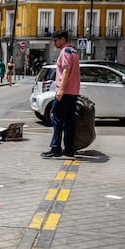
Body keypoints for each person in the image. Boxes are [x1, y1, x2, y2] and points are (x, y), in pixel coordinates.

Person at [41, 30, 80, 158]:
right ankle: (69, 149)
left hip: (65, 92)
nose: (54, 42)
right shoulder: (74, 51)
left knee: (57, 120)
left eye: (56, 40)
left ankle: (55, 148)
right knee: (69, 122)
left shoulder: (65, 52)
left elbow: (66, 70)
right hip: (73, 92)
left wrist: (61, 90)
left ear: (63, 39)